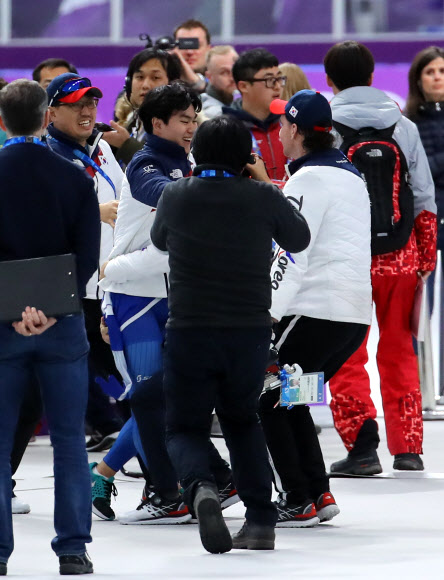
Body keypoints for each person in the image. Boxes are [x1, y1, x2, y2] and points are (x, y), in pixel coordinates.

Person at [150, 114, 311, 554]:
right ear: (247, 156)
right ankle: (260, 521)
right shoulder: (262, 196)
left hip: (189, 329)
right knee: (243, 422)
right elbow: (299, 238)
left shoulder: (175, 194)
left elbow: (159, 240)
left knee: (184, 427)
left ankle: (201, 487)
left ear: (196, 152)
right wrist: (266, 183)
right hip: (248, 330)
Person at [97, 82, 238, 525]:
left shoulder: (191, 162)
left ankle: (186, 483)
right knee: (149, 398)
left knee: (167, 398)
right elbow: (169, 205)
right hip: (134, 300)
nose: (192, 128)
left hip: (177, 298)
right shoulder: (145, 164)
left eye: (196, 120)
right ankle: (170, 488)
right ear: (157, 123)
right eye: (184, 120)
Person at [0, 79, 100, 576]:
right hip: (62, 328)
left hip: (2, 330)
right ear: (45, 119)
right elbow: (86, 259)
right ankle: (73, 549)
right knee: (67, 441)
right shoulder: (76, 179)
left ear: (1, 121)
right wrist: (49, 310)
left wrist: (17, 311)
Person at [258, 90, 371, 527]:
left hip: (314, 312)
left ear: (298, 132)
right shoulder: (349, 174)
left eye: (283, 124)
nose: (278, 132)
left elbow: (291, 252)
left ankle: (298, 498)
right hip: (351, 318)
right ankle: (319, 494)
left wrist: (267, 312)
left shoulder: (309, 180)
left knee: (267, 398)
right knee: (292, 400)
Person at [325, 41, 437, 474]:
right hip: (400, 255)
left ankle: (361, 448)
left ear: (329, 79)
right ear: (373, 76)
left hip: (344, 259)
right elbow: (424, 196)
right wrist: (424, 257)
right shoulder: (402, 125)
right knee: (399, 350)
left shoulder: (325, 125)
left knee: (345, 353)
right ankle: (408, 447)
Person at [46, 73, 125, 452]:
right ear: (52, 112)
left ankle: (126, 431)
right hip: (75, 286)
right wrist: (95, 212)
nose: (87, 111)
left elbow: (124, 199)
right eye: (76, 104)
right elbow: (42, 219)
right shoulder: (47, 156)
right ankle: (108, 424)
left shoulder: (102, 149)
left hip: (113, 281)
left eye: (92, 102)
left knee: (117, 369)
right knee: (92, 366)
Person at [405, 46, 444, 396]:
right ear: (419, 78)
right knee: (418, 310)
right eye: (430, 71)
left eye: (442, 71)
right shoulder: (409, 122)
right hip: (425, 224)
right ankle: (420, 384)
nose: (437, 78)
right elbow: (424, 172)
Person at [103, 48, 181, 168]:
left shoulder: (179, 124)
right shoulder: (132, 119)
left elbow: (164, 169)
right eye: (139, 77)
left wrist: (126, 144)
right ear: (129, 83)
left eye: (155, 78)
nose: (145, 85)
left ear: (172, 84)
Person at [223, 48, 287, 182]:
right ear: (244, 86)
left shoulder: (292, 123)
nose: (277, 86)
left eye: (279, 78)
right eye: (269, 79)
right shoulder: (225, 131)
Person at [201, 45, 238, 119]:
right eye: (224, 72)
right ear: (209, 77)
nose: (232, 78)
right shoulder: (209, 114)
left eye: (235, 70)